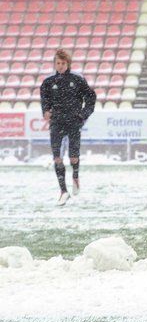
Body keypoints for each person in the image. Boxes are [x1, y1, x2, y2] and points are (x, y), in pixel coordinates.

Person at [39, 49, 96, 206]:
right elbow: (44, 98)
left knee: (73, 157)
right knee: (57, 158)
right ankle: (63, 191)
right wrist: (45, 111)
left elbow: (91, 98)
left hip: (73, 122)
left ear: (68, 63)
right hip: (56, 122)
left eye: (63, 63)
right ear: (55, 64)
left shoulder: (77, 79)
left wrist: (83, 114)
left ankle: (75, 177)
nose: (61, 66)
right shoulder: (49, 82)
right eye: (58, 63)